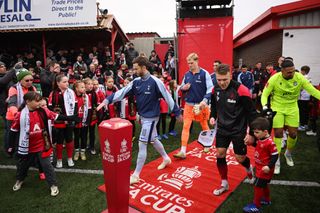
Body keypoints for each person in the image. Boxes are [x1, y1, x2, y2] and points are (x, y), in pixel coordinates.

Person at [97, 56, 181, 185]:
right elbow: (122, 92)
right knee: (153, 139)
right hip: (143, 117)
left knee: (142, 143)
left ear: (144, 67)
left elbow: (167, 96)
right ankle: (166, 158)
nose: (134, 71)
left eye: (136, 68)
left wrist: (177, 112)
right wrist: (107, 100)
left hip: (152, 118)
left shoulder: (155, 81)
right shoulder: (136, 81)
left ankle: (136, 175)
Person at [261, 59, 320, 174]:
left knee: (293, 134)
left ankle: (288, 153)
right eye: (289, 72)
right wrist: (264, 106)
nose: (292, 74)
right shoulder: (274, 78)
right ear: (282, 71)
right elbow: (264, 94)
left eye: (293, 71)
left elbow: (313, 91)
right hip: (277, 107)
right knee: (278, 133)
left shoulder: (299, 77)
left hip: (292, 108)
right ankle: (276, 161)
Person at [209, 64, 257, 195]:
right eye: (219, 79)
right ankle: (224, 183)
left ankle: (248, 168)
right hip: (223, 128)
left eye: (225, 79)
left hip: (238, 129)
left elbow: (252, 113)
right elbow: (214, 105)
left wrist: (252, 134)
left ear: (230, 75)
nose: (222, 82)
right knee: (219, 153)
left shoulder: (241, 90)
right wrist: (213, 116)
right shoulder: (215, 89)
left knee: (240, 158)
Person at [174, 53, 213, 158]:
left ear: (197, 61)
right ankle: (183, 151)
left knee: (204, 124)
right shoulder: (187, 74)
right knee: (185, 126)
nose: (190, 65)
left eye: (191, 63)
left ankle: (207, 144)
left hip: (201, 106)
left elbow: (210, 88)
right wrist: (183, 88)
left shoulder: (205, 73)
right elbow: (181, 86)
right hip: (188, 105)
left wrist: (204, 101)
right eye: (188, 63)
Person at [243, 117, 278, 213]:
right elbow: (259, 146)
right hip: (259, 168)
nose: (254, 134)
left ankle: (256, 206)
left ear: (265, 132)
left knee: (257, 186)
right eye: (254, 132)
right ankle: (266, 200)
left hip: (264, 170)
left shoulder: (270, 143)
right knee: (264, 185)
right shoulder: (261, 138)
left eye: (257, 132)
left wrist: (269, 166)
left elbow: (275, 155)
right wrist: (251, 144)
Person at [48, 74, 78, 168]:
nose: (67, 83)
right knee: (60, 141)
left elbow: (76, 105)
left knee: (69, 139)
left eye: (67, 81)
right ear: (58, 83)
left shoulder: (71, 92)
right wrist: (59, 118)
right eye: (64, 82)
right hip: (58, 121)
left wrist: (73, 118)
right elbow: (50, 108)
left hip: (69, 121)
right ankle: (59, 159)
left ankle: (70, 158)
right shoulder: (53, 93)